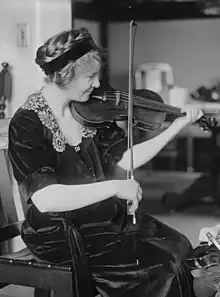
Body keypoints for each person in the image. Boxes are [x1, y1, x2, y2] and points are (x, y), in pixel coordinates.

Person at [8, 27, 203, 297]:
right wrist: (115, 188)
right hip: (60, 233)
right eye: (90, 76)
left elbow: (125, 159)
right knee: (161, 266)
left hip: (102, 218)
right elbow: (46, 198)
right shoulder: (27, 124)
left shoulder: (90, 111)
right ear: (66, 74)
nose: (97, 84)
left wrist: (174, 129)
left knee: (178, 245)